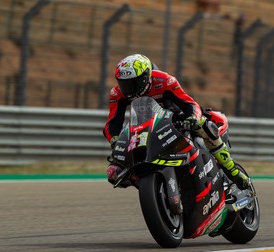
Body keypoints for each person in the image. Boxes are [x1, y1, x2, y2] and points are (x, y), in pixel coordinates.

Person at [103, 53, 250, 190]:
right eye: (124, 84)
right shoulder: (117, 93)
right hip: (145, 126)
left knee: (206, 125)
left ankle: (231, 169)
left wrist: (192, 118)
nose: (128, 89)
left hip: (176, 118)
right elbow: (112, 123)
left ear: (146, 76)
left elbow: (189, 104)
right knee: (116, 172)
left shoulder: (164, 80)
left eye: (134, 83)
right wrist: (115, 140)